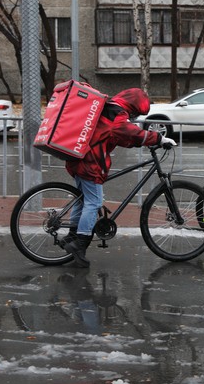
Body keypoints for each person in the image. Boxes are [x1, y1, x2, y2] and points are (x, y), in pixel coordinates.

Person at [60, 87, 176, 267]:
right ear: (133, 105)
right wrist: (159, 139)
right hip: (90, 162)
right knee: (94, 202)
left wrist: (141, 142)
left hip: (79, 157)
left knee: (83, 200)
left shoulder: (107, 108)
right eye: (135, 113)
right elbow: (129, 132)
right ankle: (79, 244)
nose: (133, 117)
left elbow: (122, 138)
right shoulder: (115, 113)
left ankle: (71, 237)